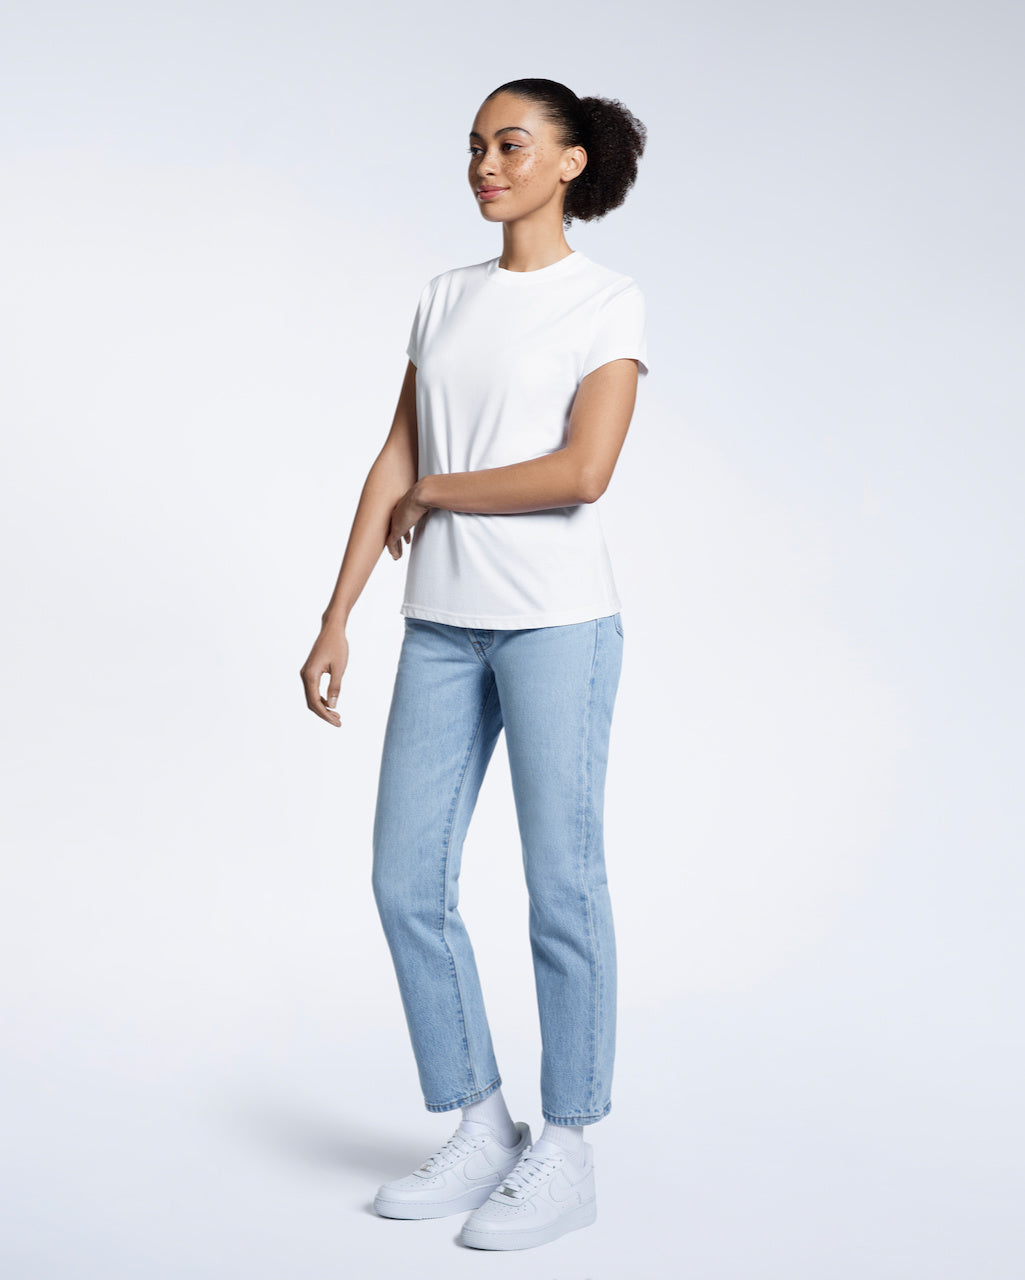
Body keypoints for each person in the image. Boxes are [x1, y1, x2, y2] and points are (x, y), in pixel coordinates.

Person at [300, 77, 649, 1252]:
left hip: (557, 623)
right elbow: (392, 453)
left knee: (562, 882)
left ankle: (569, 1143)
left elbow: (581, 470)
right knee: (407, 880)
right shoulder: (443, 298)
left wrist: (442, 491)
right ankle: (479, 1121)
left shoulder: (606, 302)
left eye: (510, 144)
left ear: (566, 163)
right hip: (440, 624)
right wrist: (338, 613)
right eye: (474, 146)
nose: (485, 163)